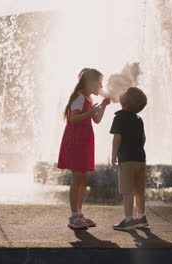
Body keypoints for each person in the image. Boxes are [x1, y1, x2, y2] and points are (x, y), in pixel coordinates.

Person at [58, 68, 110, 229]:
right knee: (77, 178)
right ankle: (74, 216)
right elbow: (74, 118)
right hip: (76, 140)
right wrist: (92, 111)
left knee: (82, 178)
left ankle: (79, 213)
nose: (101, 86)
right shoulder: (79, 98)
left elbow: (97, 120)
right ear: (89, 82)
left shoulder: (87, 98)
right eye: (99, 83)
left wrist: (103, 106)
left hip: (85, 140)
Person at [110, 87, 148, 231]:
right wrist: (137, 149)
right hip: (140, 159)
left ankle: (128, 220)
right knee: (139, 190)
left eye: (125, 92)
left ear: (124, 102)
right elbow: (144, 138)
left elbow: (117, 139)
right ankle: (141, 217)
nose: (122, 92)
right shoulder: (139, 119)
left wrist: (114, 156)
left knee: (127, 192)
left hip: (126, 160)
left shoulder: (119, 117)